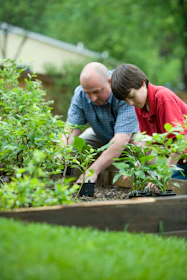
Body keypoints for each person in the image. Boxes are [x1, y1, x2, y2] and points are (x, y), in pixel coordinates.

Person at [62, 62, 139, 183]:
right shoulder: (80, 95)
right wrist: (60, 154)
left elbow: (121, 140)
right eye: (88, 93)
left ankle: (154, 180)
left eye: (97, 92)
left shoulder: (123, 90)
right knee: (76, 146)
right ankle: (68, 181)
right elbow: (69, 132)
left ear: (109, 82)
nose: (92, 98)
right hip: (101, 134)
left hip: (130, 135)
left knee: (142, 144)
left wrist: (93, 171)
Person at [111, 63, 187, 180]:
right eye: (126, 101)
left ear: (142, 83)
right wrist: (138, 165)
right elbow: (147, 142)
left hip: (182, 154)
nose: (130, 103)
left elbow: (181, 140)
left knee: (174, 188)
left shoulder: (162, 97)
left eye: (131, 96)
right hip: (181, 160)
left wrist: (164, 173)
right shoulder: (140, 107)